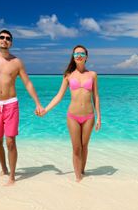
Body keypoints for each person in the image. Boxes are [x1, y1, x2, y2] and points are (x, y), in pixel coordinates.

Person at [0, 30, 44, 186]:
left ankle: (12, 176)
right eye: (2, 38)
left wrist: (38, 103)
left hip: (11, 104)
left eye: (8, 39)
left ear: (11, 43)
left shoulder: (17, 62)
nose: (4, 40)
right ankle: (4, 168)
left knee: (11, 141)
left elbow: (27, 83)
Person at [40, 45, 101, 182]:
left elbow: (95, 96)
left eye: (81, 53)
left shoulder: (93, 75)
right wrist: (45, 109)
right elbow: (59, 96)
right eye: (76, 54)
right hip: (72, 116)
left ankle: (83, 171)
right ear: (73, 57)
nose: (78, 56)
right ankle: (78, 178)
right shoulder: (68, 75)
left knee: (84, 146)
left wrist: (99, 117)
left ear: (86, 56)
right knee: (76, 148)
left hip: (89, 116)